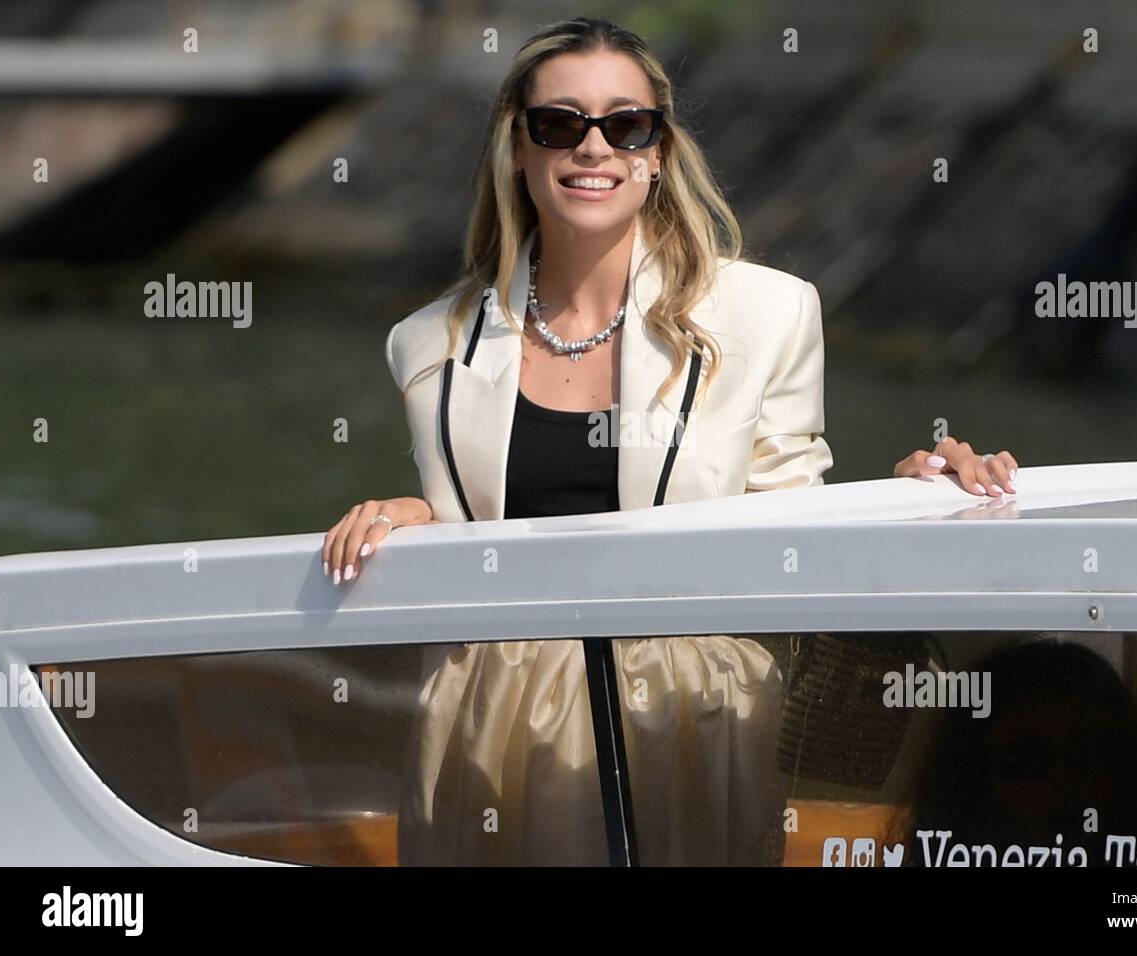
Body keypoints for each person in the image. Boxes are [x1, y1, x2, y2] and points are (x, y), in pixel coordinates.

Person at [321, 16, 1020, 865]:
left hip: (689, 717)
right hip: (488, 718)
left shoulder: (767, 312)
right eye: (560, 124)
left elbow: (793, 530)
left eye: (626, 124)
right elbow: (490, 534)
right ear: (518, 148)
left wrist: (909, 494)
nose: (594, 147)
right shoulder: (427, 342)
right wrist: (419, 520)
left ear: (657, 152)